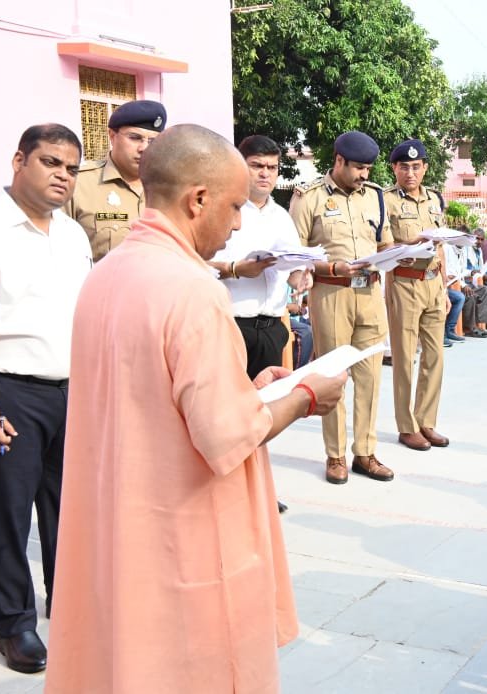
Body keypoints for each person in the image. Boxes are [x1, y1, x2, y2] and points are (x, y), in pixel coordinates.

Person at [44, 124, 348, 693]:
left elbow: (154, 394)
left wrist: (250, 387)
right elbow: (226, 434)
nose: (237, 225)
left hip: (120, 523)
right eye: (234, 207)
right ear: (198, 199)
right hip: (181, 532)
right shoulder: (192, 288)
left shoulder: (106, 274)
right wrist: (306, 397)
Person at [0, 124, 90, 673]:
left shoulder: (72, 234)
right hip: (9, 391)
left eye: (72, 168)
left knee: (69, 510)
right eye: (51, 163)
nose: (63, 175)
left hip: (71, 391)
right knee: (9, 515)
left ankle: (68, 604)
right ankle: (15, 624)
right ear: (19, 161)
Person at [290, 130, 396, 484]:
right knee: (334, 377)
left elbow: (384, 243)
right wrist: (332, 268)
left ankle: (365, 452)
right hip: (332, 294)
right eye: (358, 168)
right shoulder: (310, 198)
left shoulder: (376, 196)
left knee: (370, 377)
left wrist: (396, 254)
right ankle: (335, 456)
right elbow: (297, 254)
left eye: (368, 169)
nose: (364, 175)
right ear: (339, 161)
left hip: (370, 295)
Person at [209, 135, 312, 381]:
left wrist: (300, 278)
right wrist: (235, 269)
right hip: (231, 325)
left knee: (266, 401)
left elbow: (292, 269)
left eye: (272, 167)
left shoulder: (282, 217)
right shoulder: (219, 209)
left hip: (271, 329)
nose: (265, 174)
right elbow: (195, 264)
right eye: (257, 166)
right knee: (229, 399)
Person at [382, 139, 451, 452]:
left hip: (434, 283)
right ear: (394, 168)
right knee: (405, 358)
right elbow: (382, 246)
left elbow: (441, 246)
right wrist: (409, 245)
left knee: (435, 356)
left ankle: (426, 420)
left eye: (416, 166)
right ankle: (407, 426)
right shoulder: (385, 200)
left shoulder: (434, 198)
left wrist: (445, 287)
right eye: (404, 167)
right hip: (405, 284)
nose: (410, 173)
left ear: (425, 168)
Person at [66, 99, 166, 262]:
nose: (144, 148)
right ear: (112, 136)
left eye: (152, 141)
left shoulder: (167, 187)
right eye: (135, 138)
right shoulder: (79, 184)